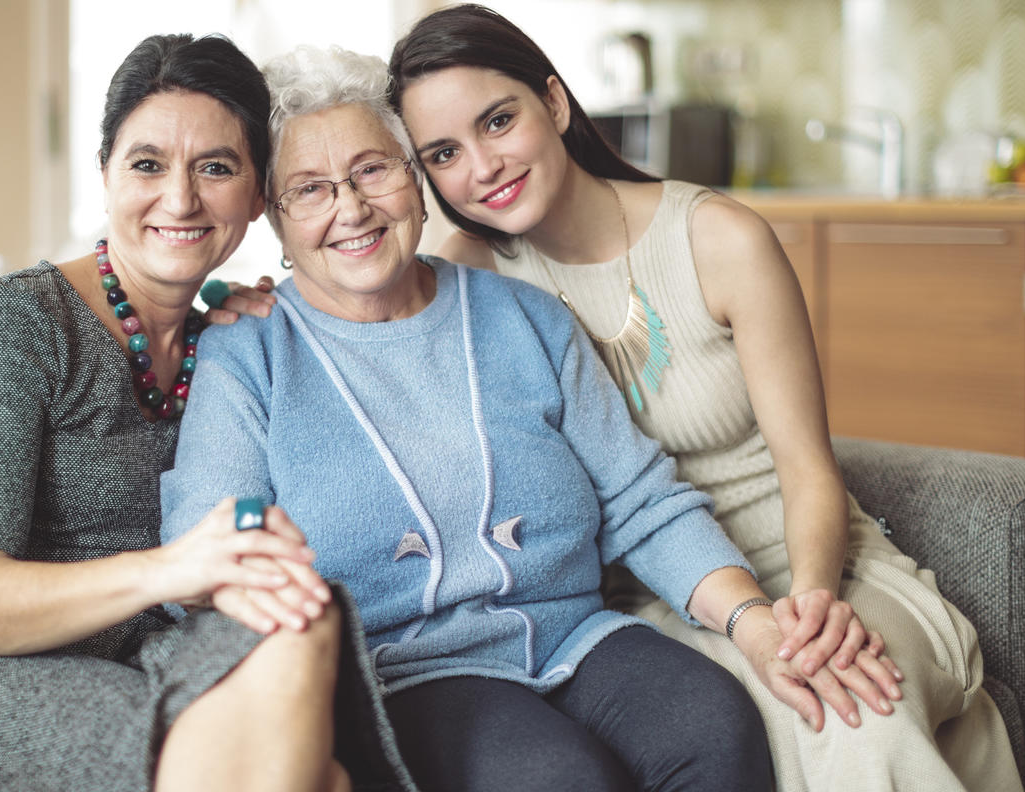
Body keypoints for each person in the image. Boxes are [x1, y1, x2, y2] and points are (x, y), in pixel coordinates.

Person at [385, 5, 1022, 791]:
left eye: (498, 120)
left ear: (553, 103)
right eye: (445, 152)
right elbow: (361, 337)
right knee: (748, 725)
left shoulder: (719, 240)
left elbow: (809, 470)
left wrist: (815, 608)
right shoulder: (471, 276)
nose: (482, 165)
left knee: (852, 709)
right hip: (646, 604)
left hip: (811, 566)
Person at [157, 44, 822, 792]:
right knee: (558, 779)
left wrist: (756, 625)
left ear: (414, 176)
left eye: (373, 169)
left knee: (713, 722)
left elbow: (642, 502)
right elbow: (208, 541)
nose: (351, 209)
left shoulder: (524, 315)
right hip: (401, 670)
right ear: (271, 216)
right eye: (309, 189)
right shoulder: (248, 353)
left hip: (576, 631)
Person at [0, 33, 408, 792]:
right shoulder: (19, 323)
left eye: (216, 168)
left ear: (257, 195)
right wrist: (173, 569)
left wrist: (266, 324)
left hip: (138, 659)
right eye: (147, 164)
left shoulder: (224, 344)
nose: (181, 198)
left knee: (307, 615)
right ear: (105, 175)